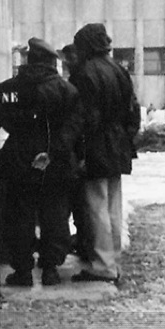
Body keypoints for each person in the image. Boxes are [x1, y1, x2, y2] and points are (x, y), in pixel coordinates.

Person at [0, 38, 82, 286]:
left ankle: (23, 270)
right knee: (54, 214)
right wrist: (53, 152)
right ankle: (50, 269)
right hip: (55, 160)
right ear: (51, 62)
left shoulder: (9, 88)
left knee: (19, 215)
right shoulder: (66, 90)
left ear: (29, 60)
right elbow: (74, 127)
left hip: (18, 156)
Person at [69, 23, 140, 283]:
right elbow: (133, 111)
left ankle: (103, 264)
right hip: (118, 144)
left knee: (96, 205)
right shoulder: (119, 70)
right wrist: (126, 138)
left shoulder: (83, 73)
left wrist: (79, 151)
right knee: (113, 205)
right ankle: (113, 260)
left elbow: (83, 118)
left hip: (95, 145)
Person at [60, 42, 93, 263]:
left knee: (78, 203)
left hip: (77, 150)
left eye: (69, 58)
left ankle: (82, 244)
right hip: (80, 150)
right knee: (81, 204)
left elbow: (79, 121)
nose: (66, 63)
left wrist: (80, 153)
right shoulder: (78, 80)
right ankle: (83, 244)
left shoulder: (78, 82)